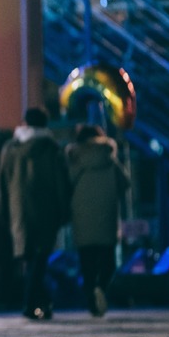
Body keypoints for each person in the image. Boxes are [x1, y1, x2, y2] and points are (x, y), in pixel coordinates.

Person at [0, 106, 70, 320]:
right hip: (47, 213)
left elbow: (2, 184)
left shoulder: (10, 148)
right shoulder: (52, 149)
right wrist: (64, 212)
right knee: (40, 260)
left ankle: (38, 304)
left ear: (25, 122)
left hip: (19, 212)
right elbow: (61, 185)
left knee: (30, 261)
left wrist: (4, 212)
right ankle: (35, 304)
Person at [65, 123, 130, 317]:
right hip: (107, 215)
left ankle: (92, 303)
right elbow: (125, 183)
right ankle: (101, 288)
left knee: (87, 264)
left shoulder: (75, 159)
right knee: (109, 262)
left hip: (82, 218)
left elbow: (67, 184)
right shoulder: (109, 157)